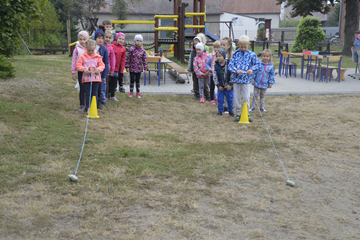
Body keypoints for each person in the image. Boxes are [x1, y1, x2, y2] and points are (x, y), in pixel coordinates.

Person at [228, 35, 260, 123]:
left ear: (248, 45)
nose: (243, 48)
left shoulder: (252, 55)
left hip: (246, 80)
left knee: (246, 97)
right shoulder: (235, 54)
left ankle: (247, 112)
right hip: (236, 81)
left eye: (245, 47)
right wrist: (236, 71)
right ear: (238, 44)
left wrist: (251, 69)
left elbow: (258, 65)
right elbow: (230, 65)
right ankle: (238, 112)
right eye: (241, 47)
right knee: (237, 97)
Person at [76, 39, 105, 113]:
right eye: (89, 50)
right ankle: (88, 107)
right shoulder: (83, 56)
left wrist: (98, 69)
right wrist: (83, 69)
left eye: (92, 50)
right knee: (88, 93)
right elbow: (78, 65)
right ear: (85, 48)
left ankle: (93, 107)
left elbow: (102, 65)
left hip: (96, 78)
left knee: (94, 93)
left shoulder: (98, 56)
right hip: (86, 79)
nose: (91, 52)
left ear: (95, 48)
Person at [125, 34, 148, 98]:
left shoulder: (143, 51)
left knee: (137, 81)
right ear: (134, 41)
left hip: (139, 69)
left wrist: (145, 68)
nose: (139, 42)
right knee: (132, 80)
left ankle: (138, 93)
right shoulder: (131, 49)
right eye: (137, 41)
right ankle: (131, 92)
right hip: (132, 68)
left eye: (140, 41)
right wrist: (127, 66)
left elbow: (145, 60)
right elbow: (127, 58)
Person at [71, 30, 89, 112]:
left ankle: (87, 104)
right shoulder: (76, 49)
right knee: (82, 88)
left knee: (87, 88)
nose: (82, 41)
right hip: (81, 71)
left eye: (84, 39)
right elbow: (74, 61)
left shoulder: (90, 48)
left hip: (88, 72)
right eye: (80, 39)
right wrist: (73, 72)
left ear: (87, 40)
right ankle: (81, 104)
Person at [213, 48, 234, 116]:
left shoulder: (229, 64)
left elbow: (232, 74)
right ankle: (220, 111)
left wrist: (231, 85)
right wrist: (218, 85)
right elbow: (214, 76)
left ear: (224, 56)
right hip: (221, 87)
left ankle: (231, 111)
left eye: (220, 56)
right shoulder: (216, 66)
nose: (218, 58)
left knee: (230, 100)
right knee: (220, 100)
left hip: (228, 87)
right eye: (217, 56)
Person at [94, 26, 109, 109]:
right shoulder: (92, 48)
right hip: (92, 72)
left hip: (101, 73)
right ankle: (91, 101)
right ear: (95, 38)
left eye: (102, 38)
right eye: (99, 38)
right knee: (94, 88)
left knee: (100, 88)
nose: (100, 40)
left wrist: (104, 74)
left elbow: (106, 62)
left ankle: (98, 103)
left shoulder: (104, 49)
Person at [110, 32, 127, 100]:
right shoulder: (112, 46)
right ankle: (107, 93)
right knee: (109, 81)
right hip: (111, 67)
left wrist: (122, 69)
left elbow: (123, 59)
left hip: (117, 67)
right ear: (116, 38)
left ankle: (112, 95)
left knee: (114, 81)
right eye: (119, 38)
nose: (121, 40)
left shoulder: (123, 49)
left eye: (122, 39)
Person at [220, 37, 234, 113]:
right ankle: (225, 106)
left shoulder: (232, 54)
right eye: (221, 44)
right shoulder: (219, 53)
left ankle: (230, 106)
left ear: (229, 46)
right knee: (223, 91)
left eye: (224, 45)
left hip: (230, 76)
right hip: (222, 76)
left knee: (230, 92)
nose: (222, 46)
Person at [206, 40, 220, 105]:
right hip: (212, 74)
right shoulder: (211, 55)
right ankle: (212, 99)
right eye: (214, 47)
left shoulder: (221, 56)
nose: (216, 49)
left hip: (219, 74)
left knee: (219, 86)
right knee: (212, 87)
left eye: (217, 47)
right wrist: (210, 69)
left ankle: (218, 97)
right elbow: (207, 64)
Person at [103, 30, 116, 102]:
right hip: (99, 67)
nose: (107, 39)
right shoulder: (100, 46)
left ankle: (105, 97)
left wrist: (112, 70)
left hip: (107, 68)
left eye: (109, 37)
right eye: (106, 37)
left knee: (106, 82)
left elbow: (112, 59)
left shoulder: (110, 48)